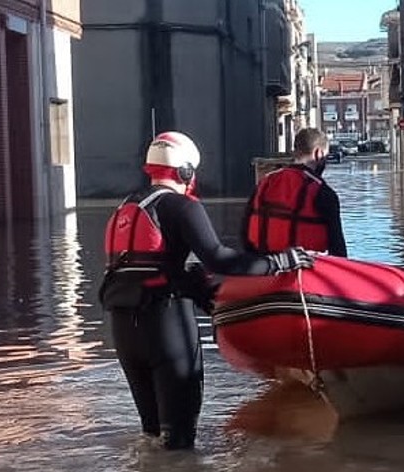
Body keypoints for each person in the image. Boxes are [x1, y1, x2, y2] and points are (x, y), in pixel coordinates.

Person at [99, 131, 316, 450]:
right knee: (180, 443)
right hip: (166, 327)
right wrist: (281, 261)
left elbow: (151, 268)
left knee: (151, 437)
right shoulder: (182, 207)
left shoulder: (126, 208)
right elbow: (221, 259)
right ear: (186, 171)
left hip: (123, 331)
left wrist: (196, 285)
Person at [242, 128, 347, 257]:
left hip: (263, 266)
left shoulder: (265, 182)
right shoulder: (324, 193)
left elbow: (245, 233)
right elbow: (338, 252)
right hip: (305, 271)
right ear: (319, 154)